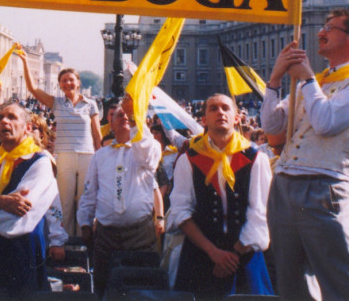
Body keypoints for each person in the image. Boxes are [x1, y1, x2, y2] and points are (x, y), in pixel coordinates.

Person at [261, 9, 349, 301]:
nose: (320, 32)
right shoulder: (316, 80)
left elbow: (326, 123)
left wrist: (306, 80)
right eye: (323, 27)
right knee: (292, 282)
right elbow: (272, 126)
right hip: (284, 185)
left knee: (345, 280)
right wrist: (275, 79)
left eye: (330, 28)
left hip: (322, 185)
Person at [171, 94, 271, 300]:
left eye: (226, 108)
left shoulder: (256, 158)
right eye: (213, 108)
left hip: (244, 257)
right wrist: (213, 252)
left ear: (237, 118)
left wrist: (234, 255)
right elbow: (181, 212)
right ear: (204, 120)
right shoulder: (189, 159)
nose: (220, 112)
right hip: (200, 256)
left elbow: (261, 213)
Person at [0, 102, 59, 293]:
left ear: (27, 128)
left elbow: (17, 219)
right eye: (0, 118)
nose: (5, 121)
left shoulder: (39, 163)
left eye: (12, 117)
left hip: (22, 251)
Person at [77, 102, 162, 295]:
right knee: (104, 287)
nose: (125, 117)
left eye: (129, 115)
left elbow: (146, 154)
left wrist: (135, 121)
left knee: (141, 290)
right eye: (119, 115)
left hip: (140, 236)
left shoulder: (148, 148)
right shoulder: (100, 156)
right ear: (111, 125)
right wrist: (85, 224)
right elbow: (90, 193)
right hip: (106, 237)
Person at [21, 56, 100, 236]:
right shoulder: (56, 103)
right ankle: (65, 239)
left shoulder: (91, 104)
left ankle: (83, 238)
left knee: (85, 200)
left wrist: (100, 155)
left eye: (71, 80)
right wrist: (25, 61)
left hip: (87, 156)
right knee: (65, 201)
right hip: (64, 156)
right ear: (60, 84)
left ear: (78, 82)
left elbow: (97, 133)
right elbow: (33, 89)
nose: (67, 83)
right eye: (63, 80)